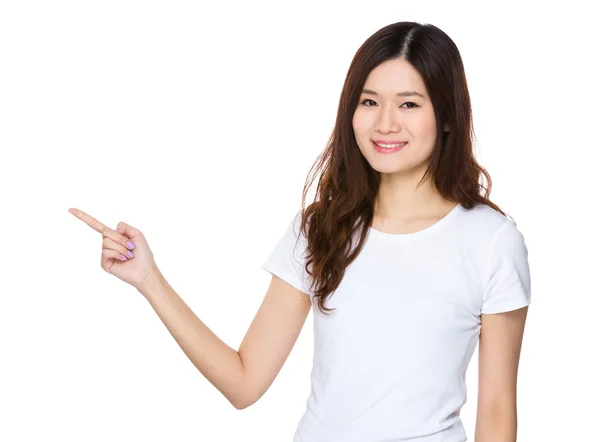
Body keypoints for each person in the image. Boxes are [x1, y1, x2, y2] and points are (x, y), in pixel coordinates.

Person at [69, 21, 531, 442]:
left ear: (447, 117)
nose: (385, 123)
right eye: (369, 102)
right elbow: (244, 382)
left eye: (409, 104)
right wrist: (149, 279)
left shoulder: (490, 241)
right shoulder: (319, 228)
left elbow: (495, 413)